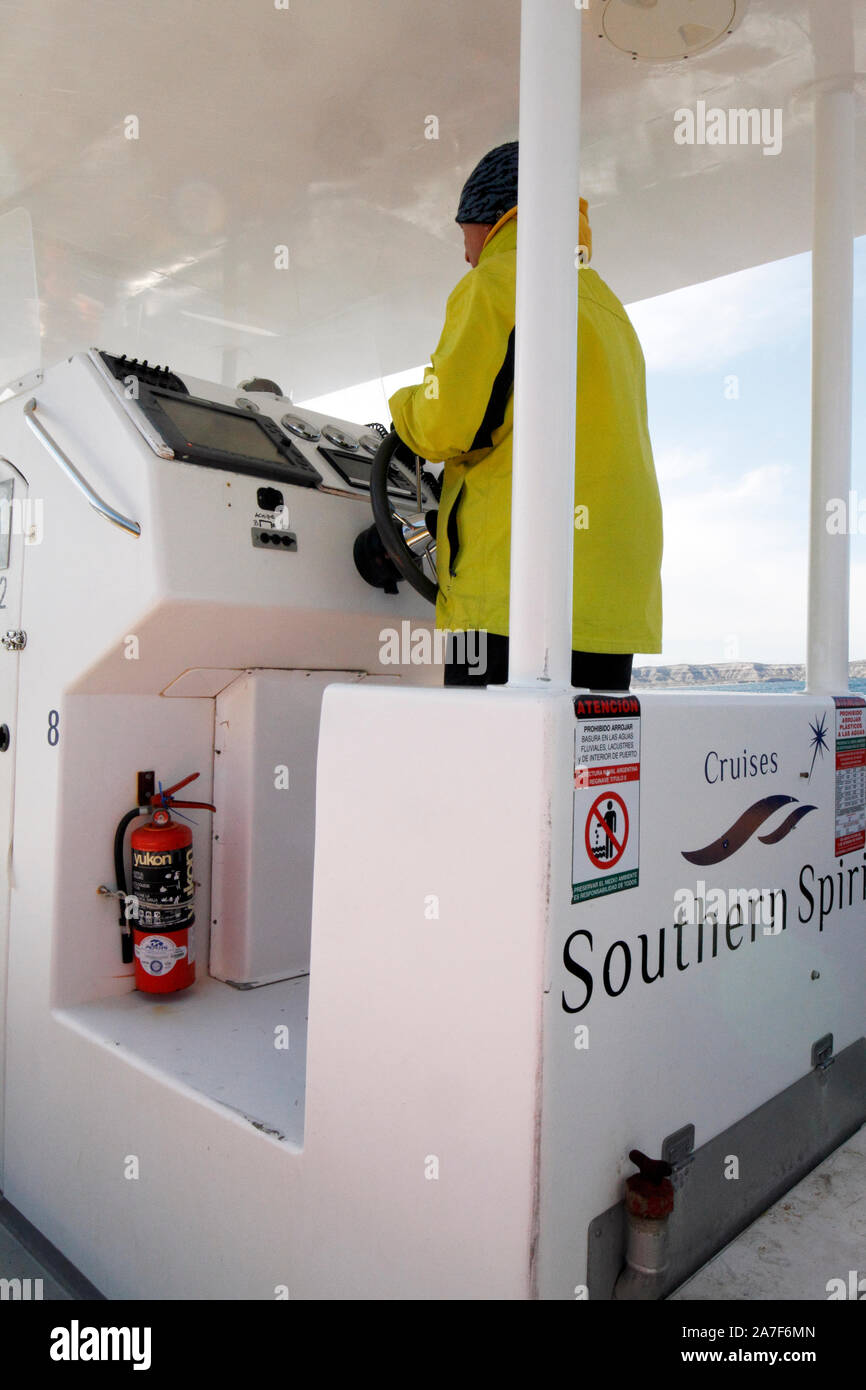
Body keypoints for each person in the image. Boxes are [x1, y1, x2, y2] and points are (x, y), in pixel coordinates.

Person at [388, 141, 662, 690]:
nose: (465, 253)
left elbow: (447, 426)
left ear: (489, 219)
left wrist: (401, 408)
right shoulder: (608, 305)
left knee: (482, 768)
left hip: (510, 596)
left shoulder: (496, 283)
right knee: (581, 770)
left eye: (463, 232)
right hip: (611, 603)